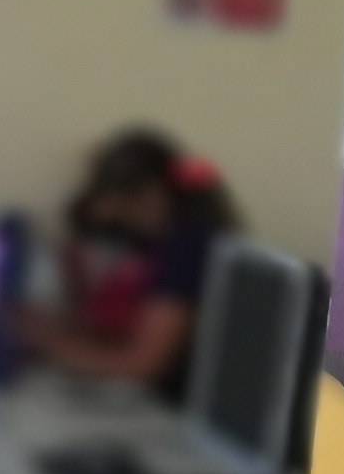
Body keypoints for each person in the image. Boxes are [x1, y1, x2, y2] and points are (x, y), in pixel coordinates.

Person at [24, 127, 239, 396]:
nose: (115, 218)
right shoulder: (160, 242)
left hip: (171, 406)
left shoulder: (189, 247)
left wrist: (49, 340)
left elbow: (143, 363)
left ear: (146, 192)